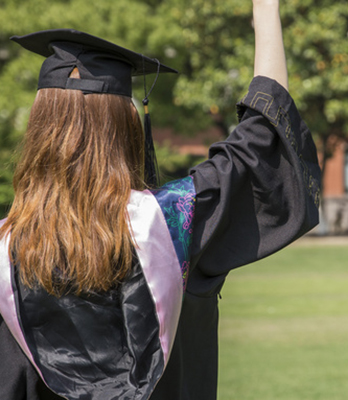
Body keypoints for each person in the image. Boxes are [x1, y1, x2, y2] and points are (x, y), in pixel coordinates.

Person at [0, 0, 320, 399]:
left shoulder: (7, 252)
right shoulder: (173, 224)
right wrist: (265, 11)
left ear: (39, 131)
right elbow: (261, 141)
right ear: (126, 127)